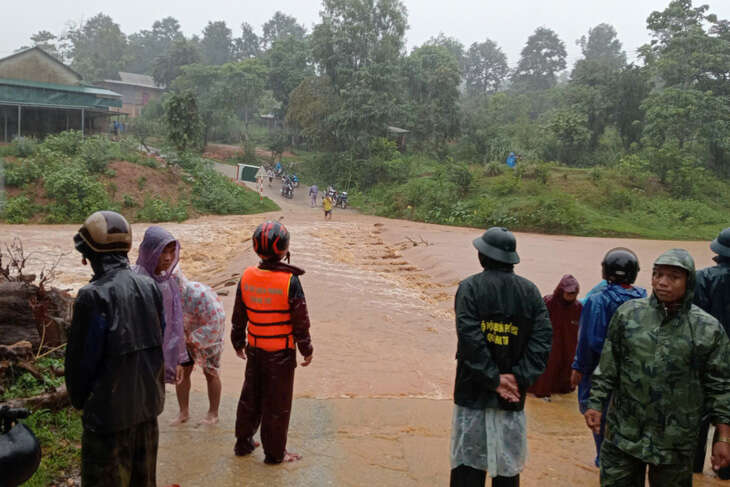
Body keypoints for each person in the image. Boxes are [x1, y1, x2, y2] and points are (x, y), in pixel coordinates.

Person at [584, 249, 730, 486]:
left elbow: (721, 388)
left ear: (689, 281)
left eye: (673, 277)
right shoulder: (628, 315)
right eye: (658, 274)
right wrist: (595, 403)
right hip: (624, 433)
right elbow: (608, 365)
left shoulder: (708, 330)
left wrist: (724, 437)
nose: (662, 282)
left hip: (675, 442)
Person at [66, 211, 165, 486]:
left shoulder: (92, 296)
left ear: (88, 254)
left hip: (107, 419)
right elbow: (160, 337)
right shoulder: (150, 287)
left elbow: (82, 364)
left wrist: (79, 401)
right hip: (148, 410)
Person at [451, 227, 552, 487]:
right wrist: (518, 378)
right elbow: (542, 343)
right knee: (507, 468)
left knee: (467, 465)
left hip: (473, 392)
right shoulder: (531, 292)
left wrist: (493, 379)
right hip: (512, 396)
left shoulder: (470, 288)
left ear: (482, 256)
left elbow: (470, 340)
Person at [231, 221, 314, 464]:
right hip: (281, 355)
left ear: (257, 250)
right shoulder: (291, 282)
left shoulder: (246, 276)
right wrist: (306, 349)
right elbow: (301, 322)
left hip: (255, 349)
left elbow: (239, 316)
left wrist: (238, 343)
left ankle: (243, 443)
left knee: (250, 397)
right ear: (285, 250)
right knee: (277, 405)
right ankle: (275, 454)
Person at [571, 248, 646, 467]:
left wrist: (578, 367)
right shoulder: (644, 298)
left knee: (597, 414)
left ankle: (605, 458)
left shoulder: (597, 301)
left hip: (599, 369)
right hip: (633, 370)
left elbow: (589, 341)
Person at [134, 226, 187, 421]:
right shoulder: (135, 281)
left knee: (152, 410)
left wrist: (178, 360)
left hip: (158, 360)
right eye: (163, 251)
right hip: (137, 361)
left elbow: (175, 325)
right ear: (149, 251)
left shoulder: (169, 283)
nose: (167, 257)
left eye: (171, 251)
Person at [693, 227, 730, 476]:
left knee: (699, 412)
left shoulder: (702, 278)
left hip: (707, 357)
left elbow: (692, 320)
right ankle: (724, 468)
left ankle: (693, 467)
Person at [173, 270, 226, 425]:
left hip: (209, 335)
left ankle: (213, 413)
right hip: (184, 333)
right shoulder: (166, 297)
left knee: (211, 372)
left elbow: (216, 321)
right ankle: (183, 412)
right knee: (183, 371)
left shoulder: (199, 294)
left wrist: (194, 339)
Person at [528, 274, 582, 400]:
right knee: (547, 367)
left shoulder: (578, 307)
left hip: (568, 343)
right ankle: (542, 392)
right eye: (568, 293)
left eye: (574, 293)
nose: (571, 296)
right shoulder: (548, 302)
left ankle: (563, 389)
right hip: (549, 343)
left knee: (566, 366)